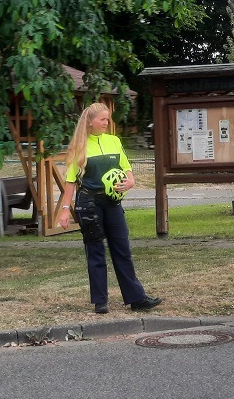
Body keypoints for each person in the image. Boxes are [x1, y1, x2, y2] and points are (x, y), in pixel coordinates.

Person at [58, 102, 162, 314]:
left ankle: (137, 298)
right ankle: (100, 302)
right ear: (90, 122)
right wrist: (65, 209)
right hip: (89, 204)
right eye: (103, 119)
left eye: (108, 119)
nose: (107, 123)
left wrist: (130, 182)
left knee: (122, 249)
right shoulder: (80, 146)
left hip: (113, 203)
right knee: (95, 251)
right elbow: (70, 182)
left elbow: (126, 169)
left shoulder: (114, 141)